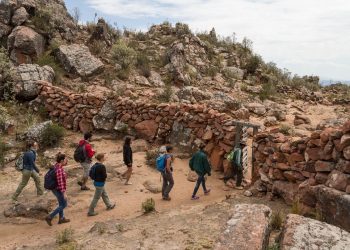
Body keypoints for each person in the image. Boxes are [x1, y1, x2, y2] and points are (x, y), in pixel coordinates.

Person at [45, 153, 70, 226]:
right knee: (64, 204)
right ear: (62, 160)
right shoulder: (59, 169)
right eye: (65, 159)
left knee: (60, 203)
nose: (67, 161)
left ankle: (61, 218)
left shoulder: (56, 165)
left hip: (55, 188)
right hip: (58, 189)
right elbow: (60, 182)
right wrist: (64, 193)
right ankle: (50, 216)